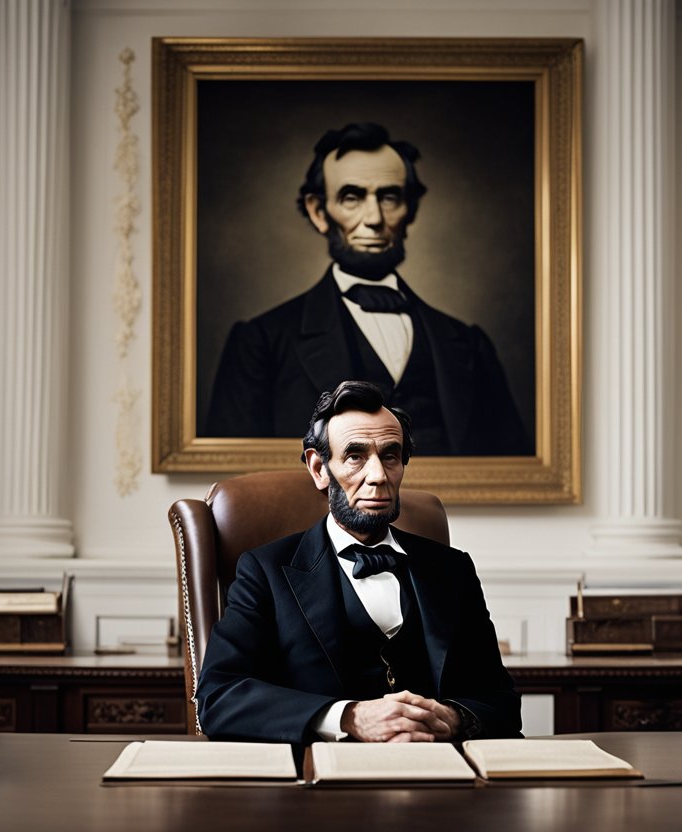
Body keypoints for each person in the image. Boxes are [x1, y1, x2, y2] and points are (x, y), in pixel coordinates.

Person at [196, 380, 522, 743]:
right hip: (317, 785)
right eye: (355, 456)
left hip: (438, 777)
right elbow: (218, 697)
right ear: (319, 468)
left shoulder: (453, 569)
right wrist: (348, 718)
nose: (379, 476)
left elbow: (501, 701)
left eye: (390, 456)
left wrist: (453, 718)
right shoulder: (264, 571)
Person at [203, 122, 531, 456]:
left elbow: (513, 467)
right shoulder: (262, 342)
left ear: (410, 209)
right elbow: (237, 480)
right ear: (319, 212)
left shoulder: (469, 345)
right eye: (351, 197)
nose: (374, 217)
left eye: (389, 197)